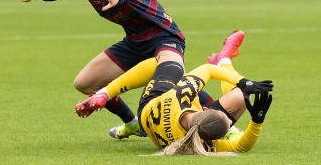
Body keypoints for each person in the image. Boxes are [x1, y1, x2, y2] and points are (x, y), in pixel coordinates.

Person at [19, 0, 214, 139]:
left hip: (164, 38)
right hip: (134, 43)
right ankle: (133, 124)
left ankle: (226, 124)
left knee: (172, 85)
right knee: (85, 83)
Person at [75, 32, 274, 155]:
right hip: (163, 123)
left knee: (170, 62)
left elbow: (207, 70)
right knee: (240, 97)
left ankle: (105, 93)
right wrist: (257, 120)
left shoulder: (180, 94)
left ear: (205, 109)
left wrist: (244, 82)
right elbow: (242, 148)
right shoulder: (201, 145)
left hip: (151, 103)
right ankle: (223, 59)